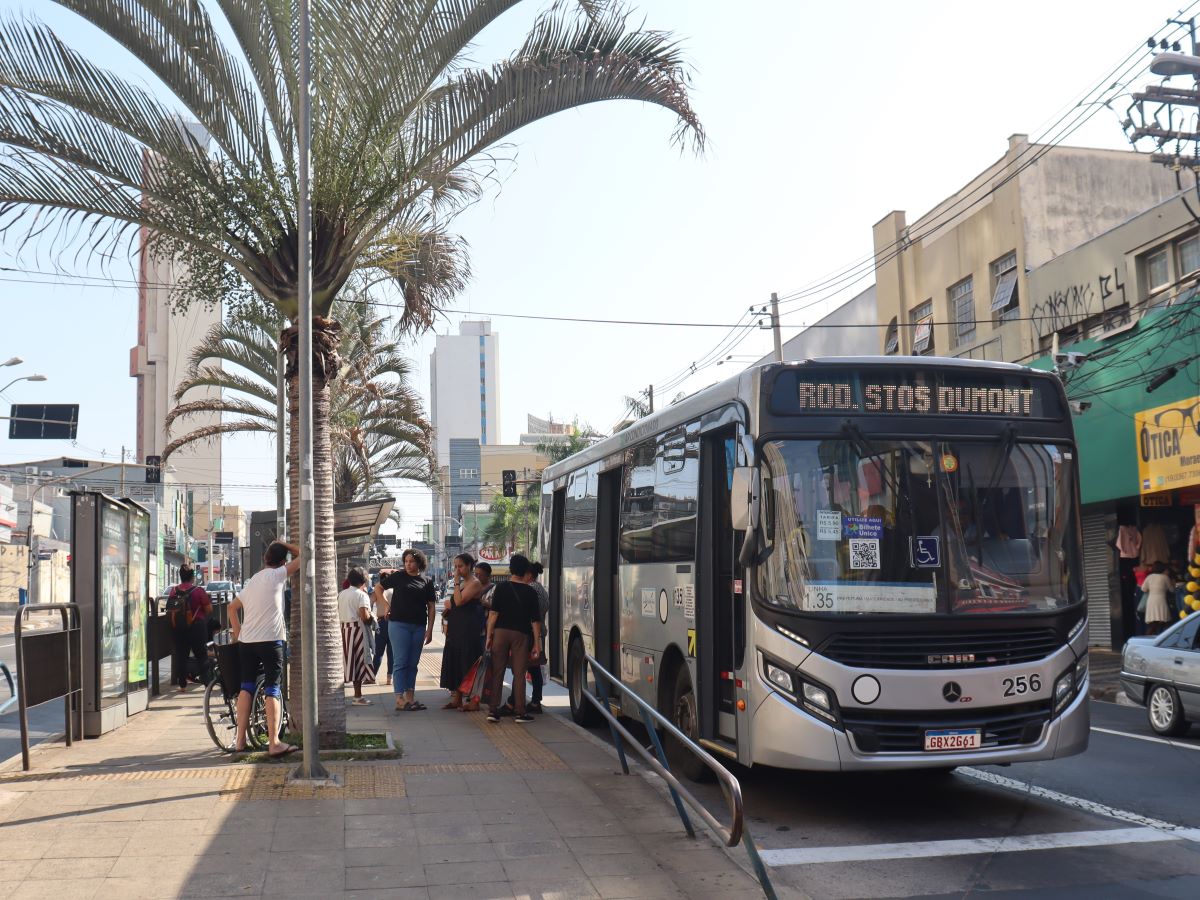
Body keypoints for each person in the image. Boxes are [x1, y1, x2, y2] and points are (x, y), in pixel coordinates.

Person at [229, 541, 302, 756]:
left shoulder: (253, 581)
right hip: (270, 641)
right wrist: (284, 544)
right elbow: (305, 555)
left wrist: (238, 633)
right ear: (281, 562)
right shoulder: (278, 575)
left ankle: (240, 741)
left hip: (247, 642)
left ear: (264, 559)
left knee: (246, 687)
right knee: (273, 688)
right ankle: (274, 742)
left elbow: (232, 607)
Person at [375, 548, 437, 712]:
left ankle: (410, 698)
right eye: (406, 561)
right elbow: (378, 588)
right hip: (398, 624)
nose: (408, 565)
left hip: (418, 626)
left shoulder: (427, 581)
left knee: (413, 663)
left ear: (419, 563)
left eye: (412, 561)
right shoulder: (398, 576)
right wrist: (385, 604)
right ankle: (399, 698)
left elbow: (431, 606)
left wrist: (429, 629)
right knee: (400, 661)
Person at [485, 554, 542, 724]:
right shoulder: (531, 592)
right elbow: (535, 621)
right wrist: (537, 644)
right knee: (519, 673)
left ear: (510, 569)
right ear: (525, 571)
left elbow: (493, 614)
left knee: (498, 672)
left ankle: (493, 711)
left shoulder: (501, 588)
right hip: (521, 635)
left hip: (501, 633)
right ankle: (520, 712)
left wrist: (489, 636)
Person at [439, 553, 484, 709]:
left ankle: (473, 701)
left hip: (468, 627)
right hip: (456, 627)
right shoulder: (464, 583)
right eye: (455, 566)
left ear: (470, 566)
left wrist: (456, 583)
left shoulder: (474, 583)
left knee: (468, 660)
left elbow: (458, 601)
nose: (457, 570)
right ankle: (457, 698)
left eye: (461, 566)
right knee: (456, 660)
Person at [507, 560, 549, 713]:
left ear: (529, 575)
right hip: (538, 632)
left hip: (530, 634)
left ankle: (513, 702)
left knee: (521, 668)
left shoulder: (530, 589)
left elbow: (529, 614)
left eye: (522, 574)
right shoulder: (540, 588)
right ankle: (535, 701)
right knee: (533, 668)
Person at [167, 566, 212, 692]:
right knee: (202, 655)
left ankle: (182, 685)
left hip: (178, 628)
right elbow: (209, 609)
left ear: (180, 576)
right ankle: (207, 684)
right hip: (196, 627)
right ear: (192, 577)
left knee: (181, 656)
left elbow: (170, 608)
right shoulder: (198, 591)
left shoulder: (173, 591)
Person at [338, 568, 375, 705]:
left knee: (347, 663)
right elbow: (365, 616)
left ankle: (342, 696)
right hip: (357, 631)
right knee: (359, 663)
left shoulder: (341, 594)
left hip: (343, 630)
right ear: (364, 581)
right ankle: (358, 697)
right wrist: (372, 618)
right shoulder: (361, 595)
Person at [1143, 561, 1174, 636]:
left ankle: (1148, 639)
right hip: (1161, 601)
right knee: (1165, 621)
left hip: (1151, 601)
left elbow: (1143, 589)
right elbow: (1172, 590)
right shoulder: (1165, 577)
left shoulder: (1149, 577)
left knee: (1153, 623)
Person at [371, 579, 393, 685]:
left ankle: (372, 676)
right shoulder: (395, 591)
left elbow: (370, 604)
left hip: (381, 622)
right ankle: (389, 678)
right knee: (391, 653)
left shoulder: (378, 591)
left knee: (378, 652)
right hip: (393, 622)